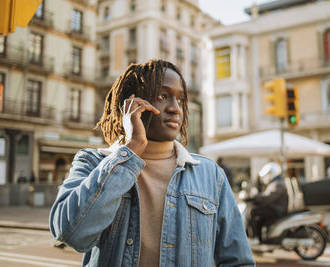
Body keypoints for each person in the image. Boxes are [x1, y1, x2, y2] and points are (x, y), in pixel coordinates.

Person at [49, 59, 254, 267]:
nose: (176, 109)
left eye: (181, 100)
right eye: (163, 96)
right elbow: (70, 232)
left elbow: (239, 261)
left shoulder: (210, 175)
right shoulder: (92, 162)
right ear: (132, 104)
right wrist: (130, 150)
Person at [249, 162, 288, 241]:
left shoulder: (277, 184)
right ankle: (260, 238)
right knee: (258, 214)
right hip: (275, 208)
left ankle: (255, 238)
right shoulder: (276, 183)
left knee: (253, 211)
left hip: (277, 210)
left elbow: (267, 198)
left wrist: (255, 196)